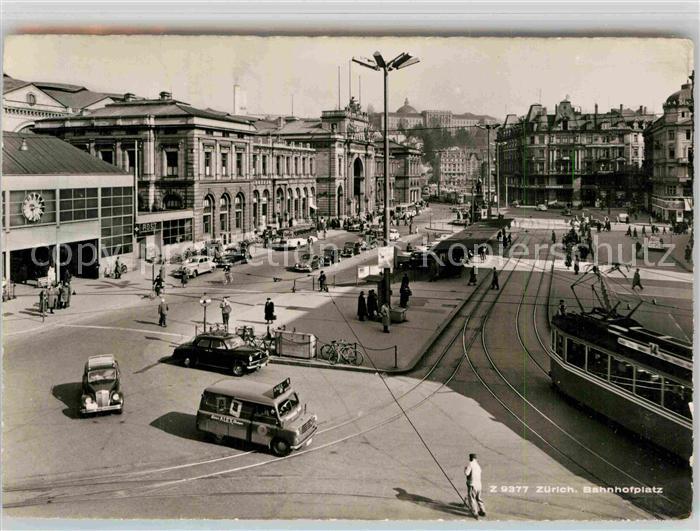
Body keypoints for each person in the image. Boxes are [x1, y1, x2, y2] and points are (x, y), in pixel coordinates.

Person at [464, 453, 486, 519]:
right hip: (479, 485)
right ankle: (482, 510)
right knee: (478, 498)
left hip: (472, 485)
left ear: (470, 458)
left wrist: (465, 469)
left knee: (472, 499)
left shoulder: (470, 464)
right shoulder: (478, 466)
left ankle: (475, 513)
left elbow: (466, 473)